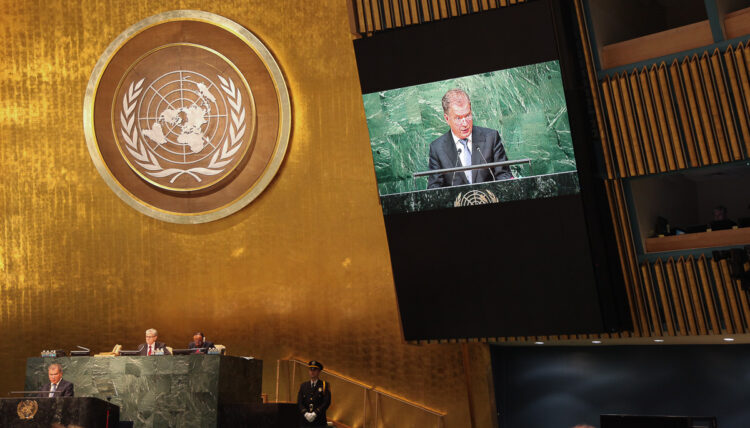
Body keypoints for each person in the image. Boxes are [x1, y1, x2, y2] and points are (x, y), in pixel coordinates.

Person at [427, 88, 513, 189]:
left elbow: (504, 175)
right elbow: (434, 189)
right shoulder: (437, 148)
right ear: (447, 119)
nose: (465, 123)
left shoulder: (491, 138)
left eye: (467, 115)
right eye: (458, 118)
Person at [297, 360, 331, 427]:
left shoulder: (324, 385)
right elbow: (299, 401)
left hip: (319, 420)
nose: (312, 372)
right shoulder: (303, 385)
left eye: (315, 370)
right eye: (310, 369)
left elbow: (327, 402)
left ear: (319, 371)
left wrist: (315, 413)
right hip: (305, 421)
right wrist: (305, 413)